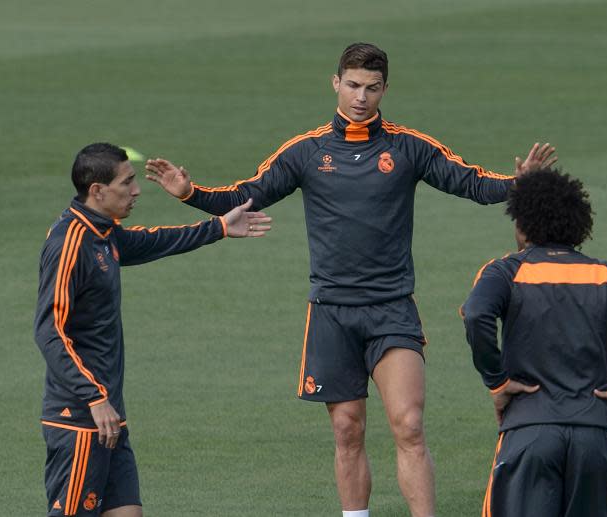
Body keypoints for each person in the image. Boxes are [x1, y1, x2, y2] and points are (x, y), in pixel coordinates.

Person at [145, 43, 556, 517]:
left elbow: (471, 183)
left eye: (373, 88)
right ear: (336, 83)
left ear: (385, 89)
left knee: (409, 425)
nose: (362, 97)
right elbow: (247, 195)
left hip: (391, 309)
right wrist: (190, 194)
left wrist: (517, 182)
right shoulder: (305, 152)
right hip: (331, 312)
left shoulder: (409, 146)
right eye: (354, 85)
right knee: (347, 430)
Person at [34, 142, 271, 517]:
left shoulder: (102, 233)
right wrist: (93, 397)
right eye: (127, 183)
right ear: (97, 190)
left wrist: (220, 227)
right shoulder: (70, 243)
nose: (137, 190)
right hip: (80, 417)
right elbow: (49, 330)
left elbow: (152, 241)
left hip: (110, 416)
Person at [461, 168, 607, 517]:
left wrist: (497, 382)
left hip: (528, 432)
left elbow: (475, 314)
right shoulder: (605, 275)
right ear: (576, 223)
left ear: (522, 222)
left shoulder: (505, 271)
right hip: (591, 440)